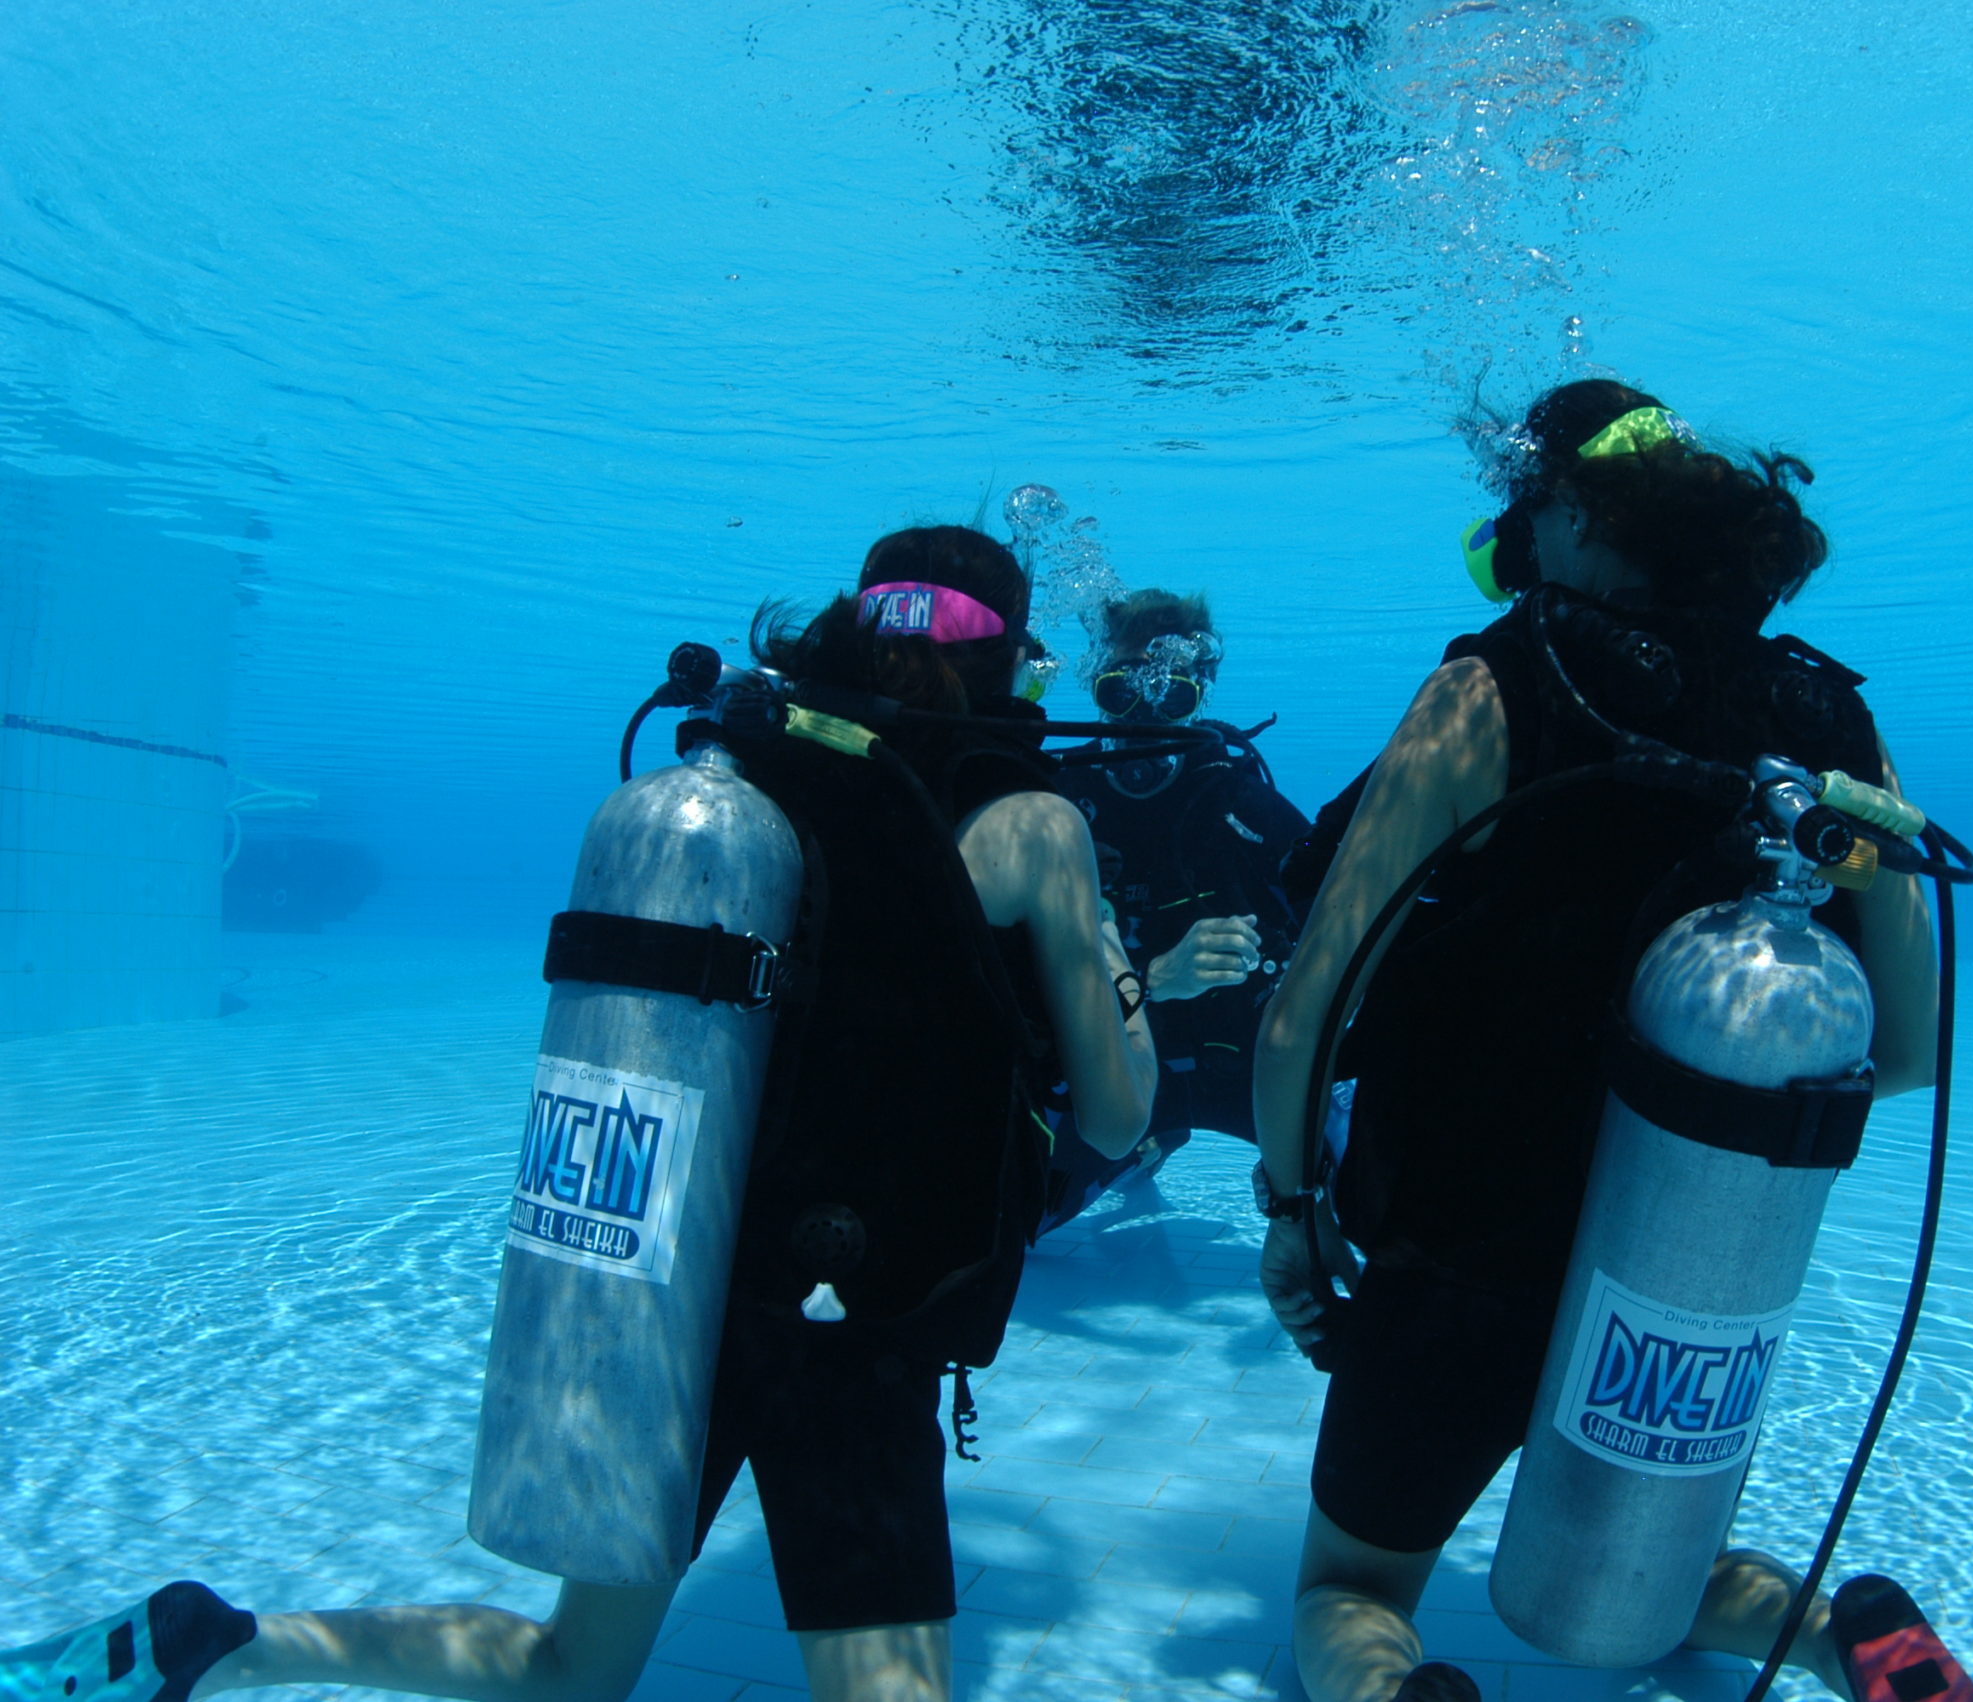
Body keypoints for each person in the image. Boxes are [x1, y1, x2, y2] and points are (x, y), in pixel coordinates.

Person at [1, 527, 1157, 1702]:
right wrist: (1116, 962)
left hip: (674, 1284)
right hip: (849, 1324)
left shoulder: (745, 772)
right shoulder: (1030, 827)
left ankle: (230, 1642)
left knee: (574, 1664)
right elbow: (1118, 1119)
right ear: (1009, 660)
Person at [1251, 381, 1973, 1702]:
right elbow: (1913, 1051)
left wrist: (1295, 1213)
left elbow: (1308, 1010)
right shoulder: (1829, 722)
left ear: (1578, 513)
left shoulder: (1492, 687)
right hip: (1688, 1265)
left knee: (1349, 1590)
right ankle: (1850, 1636)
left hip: (1467, 1250)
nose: (1517, 537)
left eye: (1527, 505)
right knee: (1662, 1578)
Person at [1038, 589, 1311, 1233]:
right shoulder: (1056, 809)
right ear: (1096, 687)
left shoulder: (1240, 805)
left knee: (1356, 1188)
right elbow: (1015, 983)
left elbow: (1340, 928)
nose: (1144, 714)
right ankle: (1150, 1143)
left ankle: (1165, 1140)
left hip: (1244, 1072)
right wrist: (1153, 979)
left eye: (1171, 695)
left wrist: (1281, 971)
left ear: (1200, 695)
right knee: (1023, 1215)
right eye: (1119, 691)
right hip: (1118, 1077)